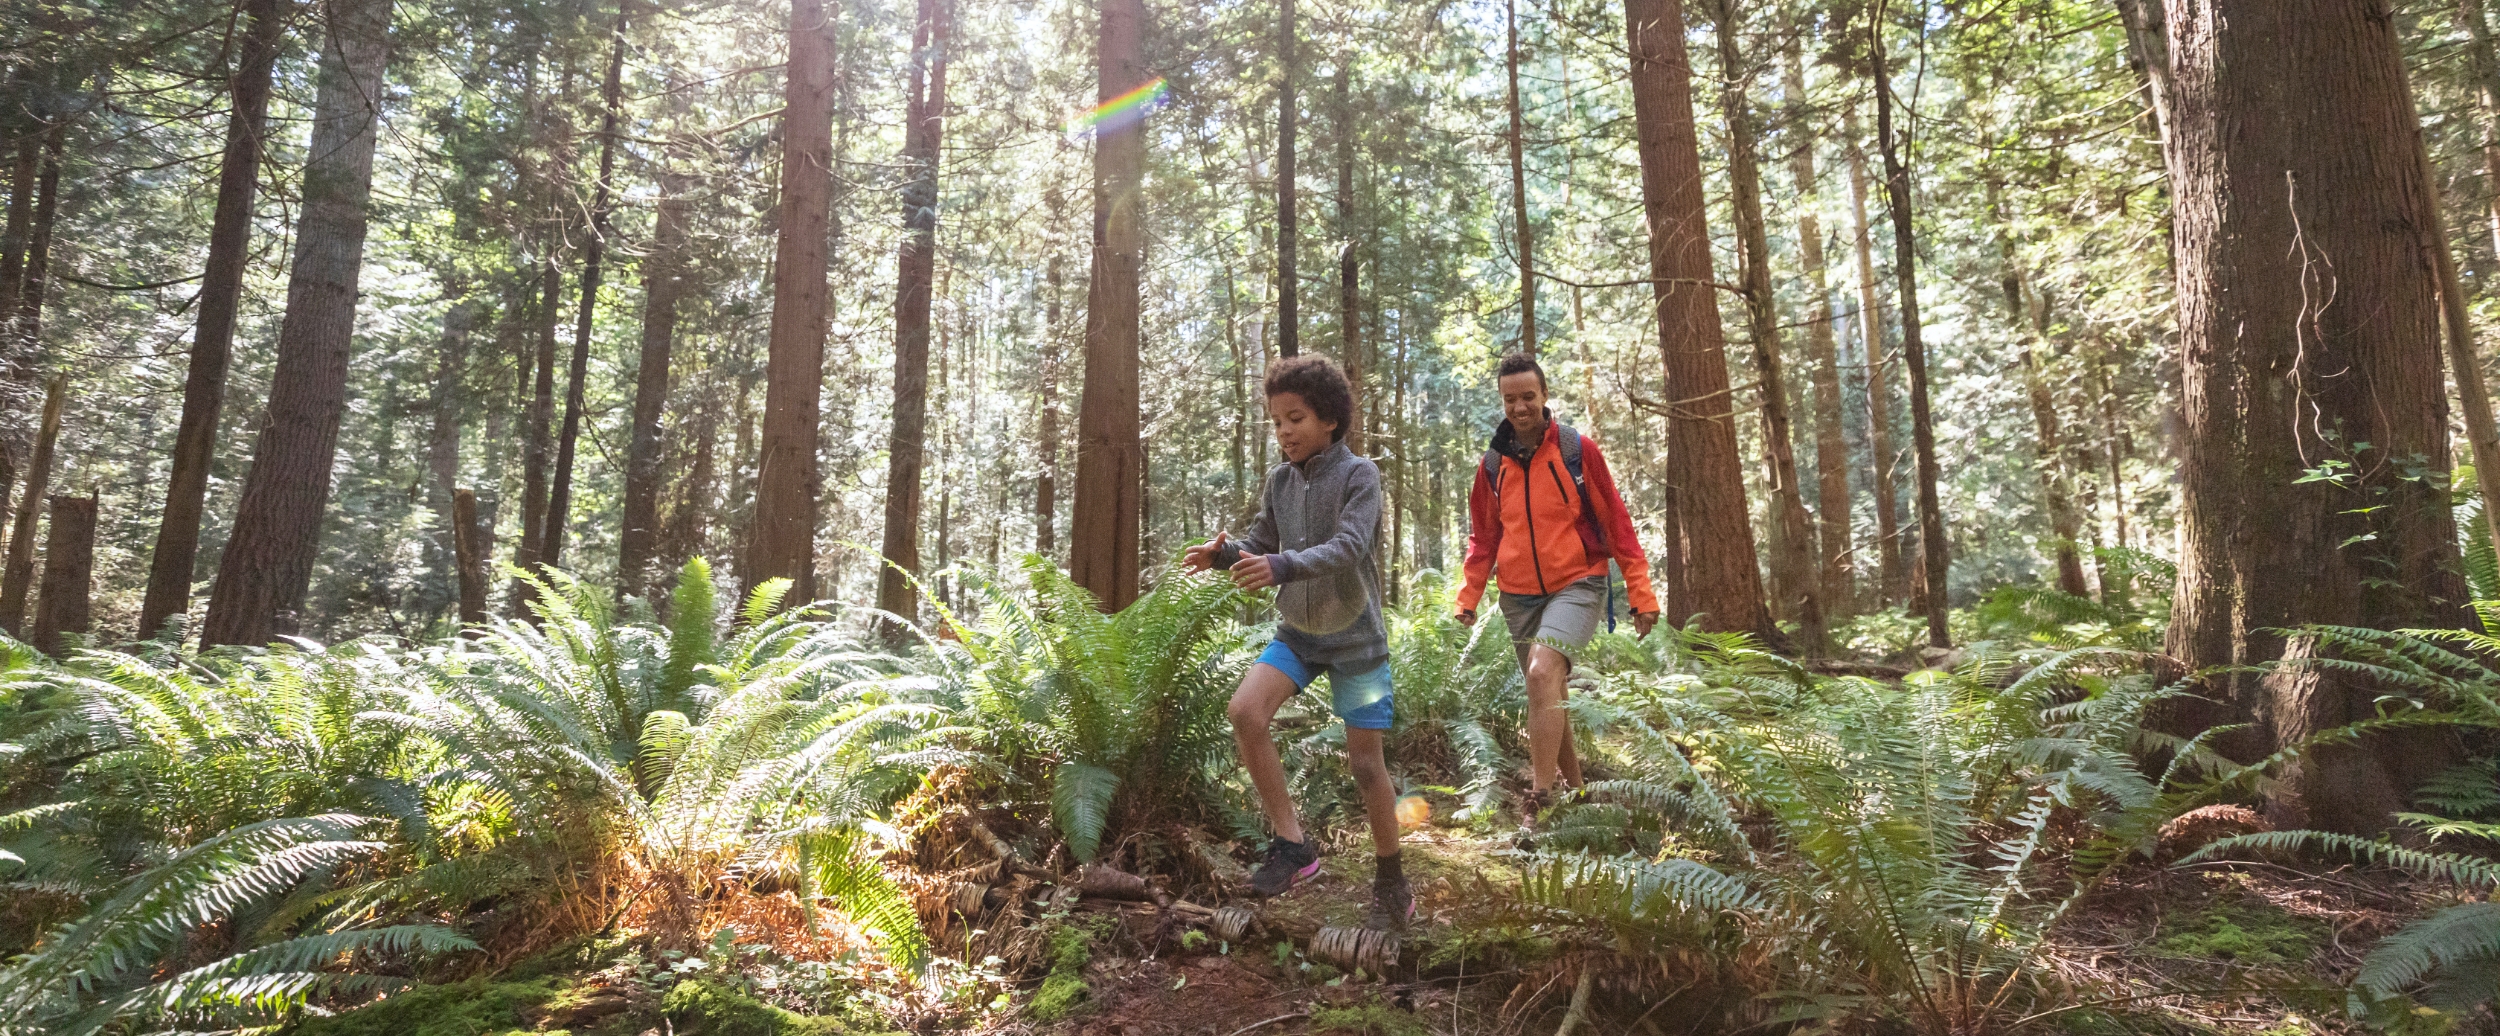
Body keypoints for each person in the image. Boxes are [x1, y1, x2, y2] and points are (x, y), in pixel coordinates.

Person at [1184, 354, 1409, 932]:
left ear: (1329, 419)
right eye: (1276, 421)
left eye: (1296, 418)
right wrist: (1225, 555)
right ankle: (1294, 845)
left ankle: (1391, 881)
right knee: (1245, 711)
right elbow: (1264, 538)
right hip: (1299, 635)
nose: (1284, 431)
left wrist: (1279, 564)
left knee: (1364, 764)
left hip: (1357, 641)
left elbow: (1350, 546)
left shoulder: (1360, 475)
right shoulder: (1279, 480)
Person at [1455, 351, 1660, 839]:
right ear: (1502, 401)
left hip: (1579, 581)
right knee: (1549, 690)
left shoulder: (1576, 450)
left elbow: (1617, 523)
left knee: (1541, 671)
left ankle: (1540, 800)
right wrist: (1469, 595)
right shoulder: (1490, 466)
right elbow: (1483, 537)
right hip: (1518, 595)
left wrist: (1641, 593)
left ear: (1544, 396)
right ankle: (1579, 794)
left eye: (1528, 396)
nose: (1520, 407)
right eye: (1510, 399)